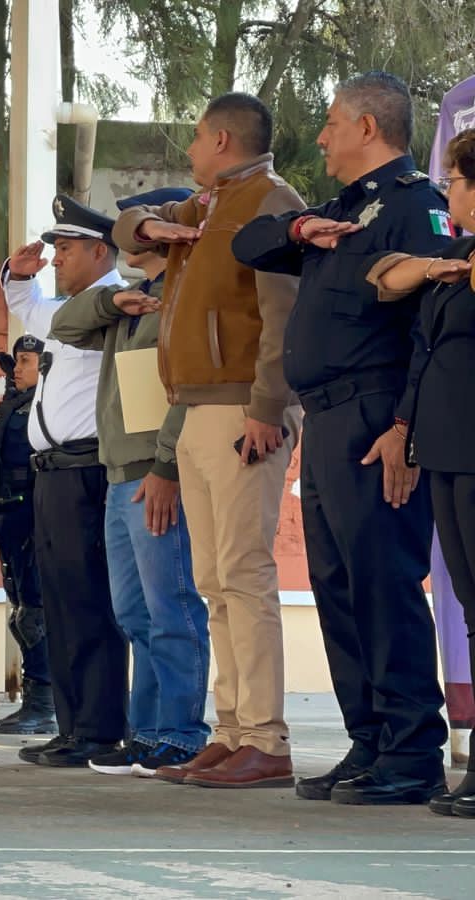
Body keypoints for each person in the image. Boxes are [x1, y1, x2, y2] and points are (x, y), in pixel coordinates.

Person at [234, 71, 451, 806]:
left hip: (375, 416)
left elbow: (431, 328)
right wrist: (299, 228)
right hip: (327, 418)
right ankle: (370, 741)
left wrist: (405, 428)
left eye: (331, 123)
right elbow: (250, 243)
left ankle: (413, 749)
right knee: (338, 585)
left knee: (384, 583)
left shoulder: (417, 207)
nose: (321, 136)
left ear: (367, 127)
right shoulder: (339, 211)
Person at [114, 94, 308, 789]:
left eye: (196, 139)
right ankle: (230, 731)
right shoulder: (209, 202)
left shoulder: (268, 201)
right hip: (195, 407)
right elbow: (126, 230)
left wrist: (267, 406)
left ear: (222, 139)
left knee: (244, 574)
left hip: (239, 411)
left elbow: (281, 313)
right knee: (211, 580)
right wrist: (156, 224)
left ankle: (265, 737)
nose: (189, 151)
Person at [50, 188, 210, 779]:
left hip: (153, 474)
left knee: (172, 607)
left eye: (137, 226)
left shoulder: (184, 297)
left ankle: (182, 732)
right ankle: (147, 733)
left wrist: (166, 465)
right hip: (119, 474)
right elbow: (63, 324)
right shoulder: (132, 301)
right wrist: (114, 304)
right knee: (135, 613)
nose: (124, 237)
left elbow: (187, 391)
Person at [364, 126, 475, 815]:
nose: (449, 192)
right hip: (445, 448)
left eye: (457, 181)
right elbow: (386, 286)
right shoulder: (456, 255)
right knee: (469, 603)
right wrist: (405, 429)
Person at [1, 198, 129, 766]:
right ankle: (73, 725)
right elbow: (28, 310)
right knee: (59, 603)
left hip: (88, 470)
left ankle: (99, 729)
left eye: (67, 250)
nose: (56, 259)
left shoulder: (117, 303)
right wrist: (18, 275)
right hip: (51, 474)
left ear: (101, 251)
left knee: (90, 603)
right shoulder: (70, 308)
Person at [0, 334, 54, 735]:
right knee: (22, 612)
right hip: (5, 514)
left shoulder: (50, 406)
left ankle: (43, 704)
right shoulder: (11, 405)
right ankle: (34, 701)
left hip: (32, 516)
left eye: (26, 361)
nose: (17, 368)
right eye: (17, 361)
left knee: (35, 613)